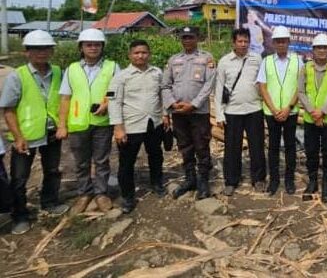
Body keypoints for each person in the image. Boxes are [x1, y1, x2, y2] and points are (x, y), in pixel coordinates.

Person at [0, 30, 68, 234]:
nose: (41, 52)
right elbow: (9, 109)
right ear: (27, 52)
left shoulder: (58, 72)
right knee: (20, 178)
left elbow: (64, 100)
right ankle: (20, 215)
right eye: (36, 49)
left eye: (46, 48)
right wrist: (18, 137)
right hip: (26, 136)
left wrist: (62, 125)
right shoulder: (17, 76)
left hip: (51, 132)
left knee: (52, 170)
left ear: (52, 51)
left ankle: (50, 202)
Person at [58, 28, 120, 215]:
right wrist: (62, 125)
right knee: (81, 162)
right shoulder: (72, 69)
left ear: (102, 47)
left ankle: (101, 193)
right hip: (78, 123)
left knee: (101, 160)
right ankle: (84, 193)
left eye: (97, 45)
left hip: (102, 122)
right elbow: (65, 98)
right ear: (81, 47)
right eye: (89, 45)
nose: (93, 48)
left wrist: (107, 103)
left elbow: (115, 89)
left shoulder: (112, 66)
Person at [108, 40, 169, 214]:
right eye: (136, 53)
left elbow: (162, 95)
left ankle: (156, 183)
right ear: (130, 55)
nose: (140, 56)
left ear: (149, 54)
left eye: (144, 52)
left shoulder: (156, 72)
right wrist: (118, 128)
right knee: (127, 162)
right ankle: (128, 196)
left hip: (153, 122)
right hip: (131, 125)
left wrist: (165, 114)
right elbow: (114, 102)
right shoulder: (121, 77)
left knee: (156, 155)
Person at [161, 26, 216, 200]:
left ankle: (203, 181)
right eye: (184, 37)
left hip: (199, 112)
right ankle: (190, 178)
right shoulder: (173, 60)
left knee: (201, 145)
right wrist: (172, 104)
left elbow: (209, 84)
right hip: (178, 112)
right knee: (184, 146)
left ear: (197, 38)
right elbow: (165, 85)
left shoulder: (206, 58)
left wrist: (193, 105)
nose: (187, 40)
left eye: (190, 37)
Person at [215, 28, 264, 196]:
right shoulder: (224, 61)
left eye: (246, 41)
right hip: (232, 111)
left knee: (257, 146)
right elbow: (219, 88)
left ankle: (258, 179)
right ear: (233, 43)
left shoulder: (256, 58)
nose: (243, 44)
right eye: (240, 41)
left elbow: (262, 83)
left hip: (254, 109)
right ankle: (231, 181)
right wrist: (219, 114)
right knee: (232, 148)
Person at [298, 33, 327, 203]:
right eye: (318, 48)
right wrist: (312, 111)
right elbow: (301, 92)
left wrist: (322, 111)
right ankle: (312, 182)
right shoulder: (305, 68)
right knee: (311, 152)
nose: (322, 50)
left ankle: (326, 184)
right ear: (313, 50)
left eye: (325, 47)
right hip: (310, 119)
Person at [257, 25, 302, 196]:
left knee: (290, 146)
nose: (281, 44)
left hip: (290, 112)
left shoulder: (298, 61)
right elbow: (262, 87)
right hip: (272, 113)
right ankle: (274, 181)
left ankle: (289, 180)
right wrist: (274, 109)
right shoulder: (266, 61)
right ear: (273, 43)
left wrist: (288, 107)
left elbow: (300, 87)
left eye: (284, 41)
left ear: (289, 42)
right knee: (273, 147)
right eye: (278, 41)